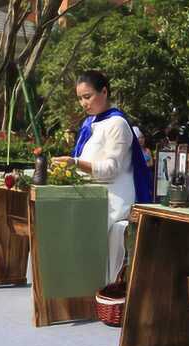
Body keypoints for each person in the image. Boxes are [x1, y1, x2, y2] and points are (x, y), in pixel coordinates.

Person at [52, 70, 151, 282]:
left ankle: (82, 287)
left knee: (72, 225)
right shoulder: (92, 124)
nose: (83, 103)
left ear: (104, 92)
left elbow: (111, 169)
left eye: (87, 96)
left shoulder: (117, 124)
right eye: (79, 98)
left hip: (114, 198)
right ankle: (69, 289)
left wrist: (75, 163)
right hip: (94, 194)